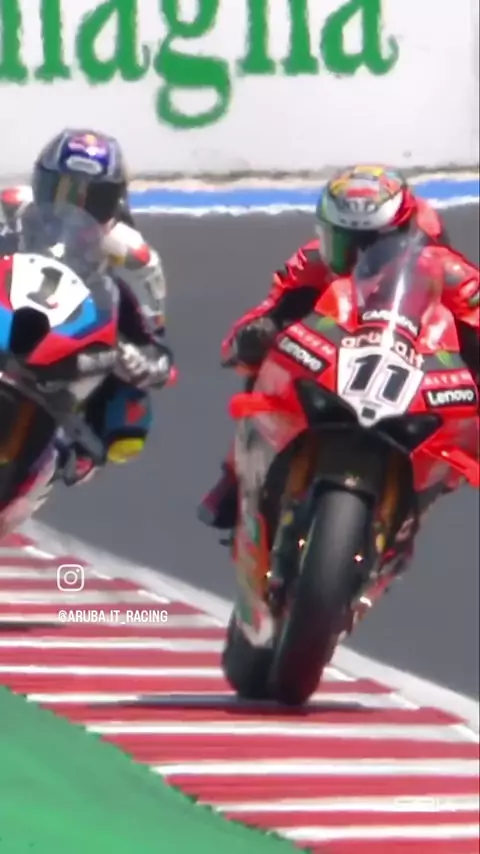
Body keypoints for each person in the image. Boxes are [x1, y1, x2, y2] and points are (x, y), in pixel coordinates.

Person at [198, 164, 480, 537]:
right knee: (261, 367)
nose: (355, 256)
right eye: (343, 240)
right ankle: (237, 475)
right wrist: (255, 334)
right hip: (333, 354)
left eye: (370, 244)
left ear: (401, 234)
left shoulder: (450, 272)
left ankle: (414, 497)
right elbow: (267, 311)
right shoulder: (312, 261)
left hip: (417, 363)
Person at [0, 129, 176, 485]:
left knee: (131, 416)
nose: (73, 207)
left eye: (92, 198)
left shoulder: (134, 258)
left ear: (113, 203)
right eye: (62, 190)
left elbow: (157, 349)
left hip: (77, 346)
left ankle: (73, 449)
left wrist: (139, 361)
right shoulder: (10, 209)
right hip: (12, 312)